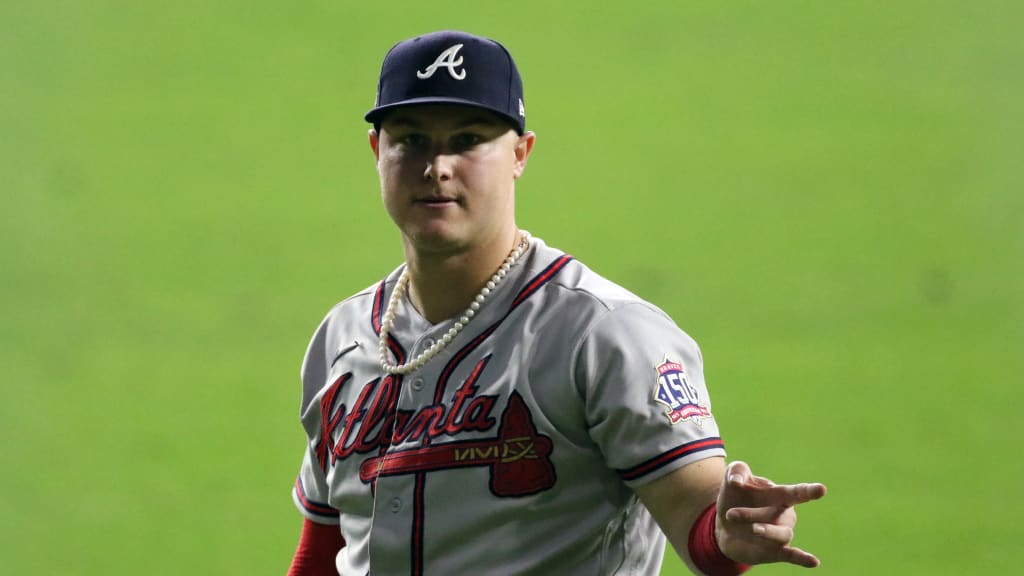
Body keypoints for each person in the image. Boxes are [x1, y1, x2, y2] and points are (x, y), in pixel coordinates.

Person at [287, 30, 826, 576]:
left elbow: (698, 519)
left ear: (520, 154)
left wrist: (729, 533)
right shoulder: (344, 337)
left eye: (469, 139)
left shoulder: (605, 333)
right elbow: (322, 552)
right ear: (379, 152)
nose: (437, 166)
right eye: (412, 140)